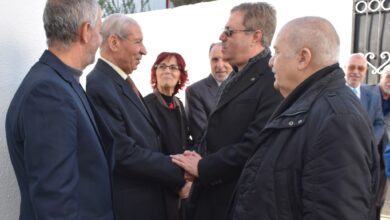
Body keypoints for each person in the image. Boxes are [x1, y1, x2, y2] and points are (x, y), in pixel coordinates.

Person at [227, 16, 379, 220]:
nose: (271, 62)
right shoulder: (308, 106)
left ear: (303, 58)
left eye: (277, 52)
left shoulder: (337, 120)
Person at [171, 2, 283, 220]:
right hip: (211, 195)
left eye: (230, 32)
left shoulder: (272, 80)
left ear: (255, 37)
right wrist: (196, 157)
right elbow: (217, 130)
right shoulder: (237, 75)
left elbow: (255, 145)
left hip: (236, 201)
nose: (222, 36)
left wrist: (203, 167)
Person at [5, 0, 114, 219]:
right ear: (85, 31)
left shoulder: (60, 82)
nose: (100, 39)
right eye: (100, 30)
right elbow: (55, 204)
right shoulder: (48, 93)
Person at [86, 14, 186, 220]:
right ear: (114, 42)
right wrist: (179, 169)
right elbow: (122, 152)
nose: (144, 50)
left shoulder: (120, 80)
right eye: (138, 42)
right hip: (134, 207)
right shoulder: (100, 83)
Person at [144, 52, 193, 220]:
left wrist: (189, 180)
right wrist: (178, 184)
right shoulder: (146, 105)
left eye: (173, 67)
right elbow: (150, 151)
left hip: (183, 186)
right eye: (162, 66)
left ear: (180, 76)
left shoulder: (179, 105)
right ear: (155, 73)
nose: (167, 71)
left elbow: (186, 142)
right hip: (160, 187)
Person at [185, 43, 232, 145]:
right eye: (215, 60)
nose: (220, 65)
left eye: (225, 59)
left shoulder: (244, 86)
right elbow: (201, 135)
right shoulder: (195, 91)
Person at [345, 53, 384, 144]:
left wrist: (370, 143)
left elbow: (379, 123)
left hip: (365, 153)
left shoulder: (374, 96)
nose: (355, 71)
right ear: (344, 68)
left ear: (365, 71)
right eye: (351, 67)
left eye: (360, 68)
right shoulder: (333, 93)